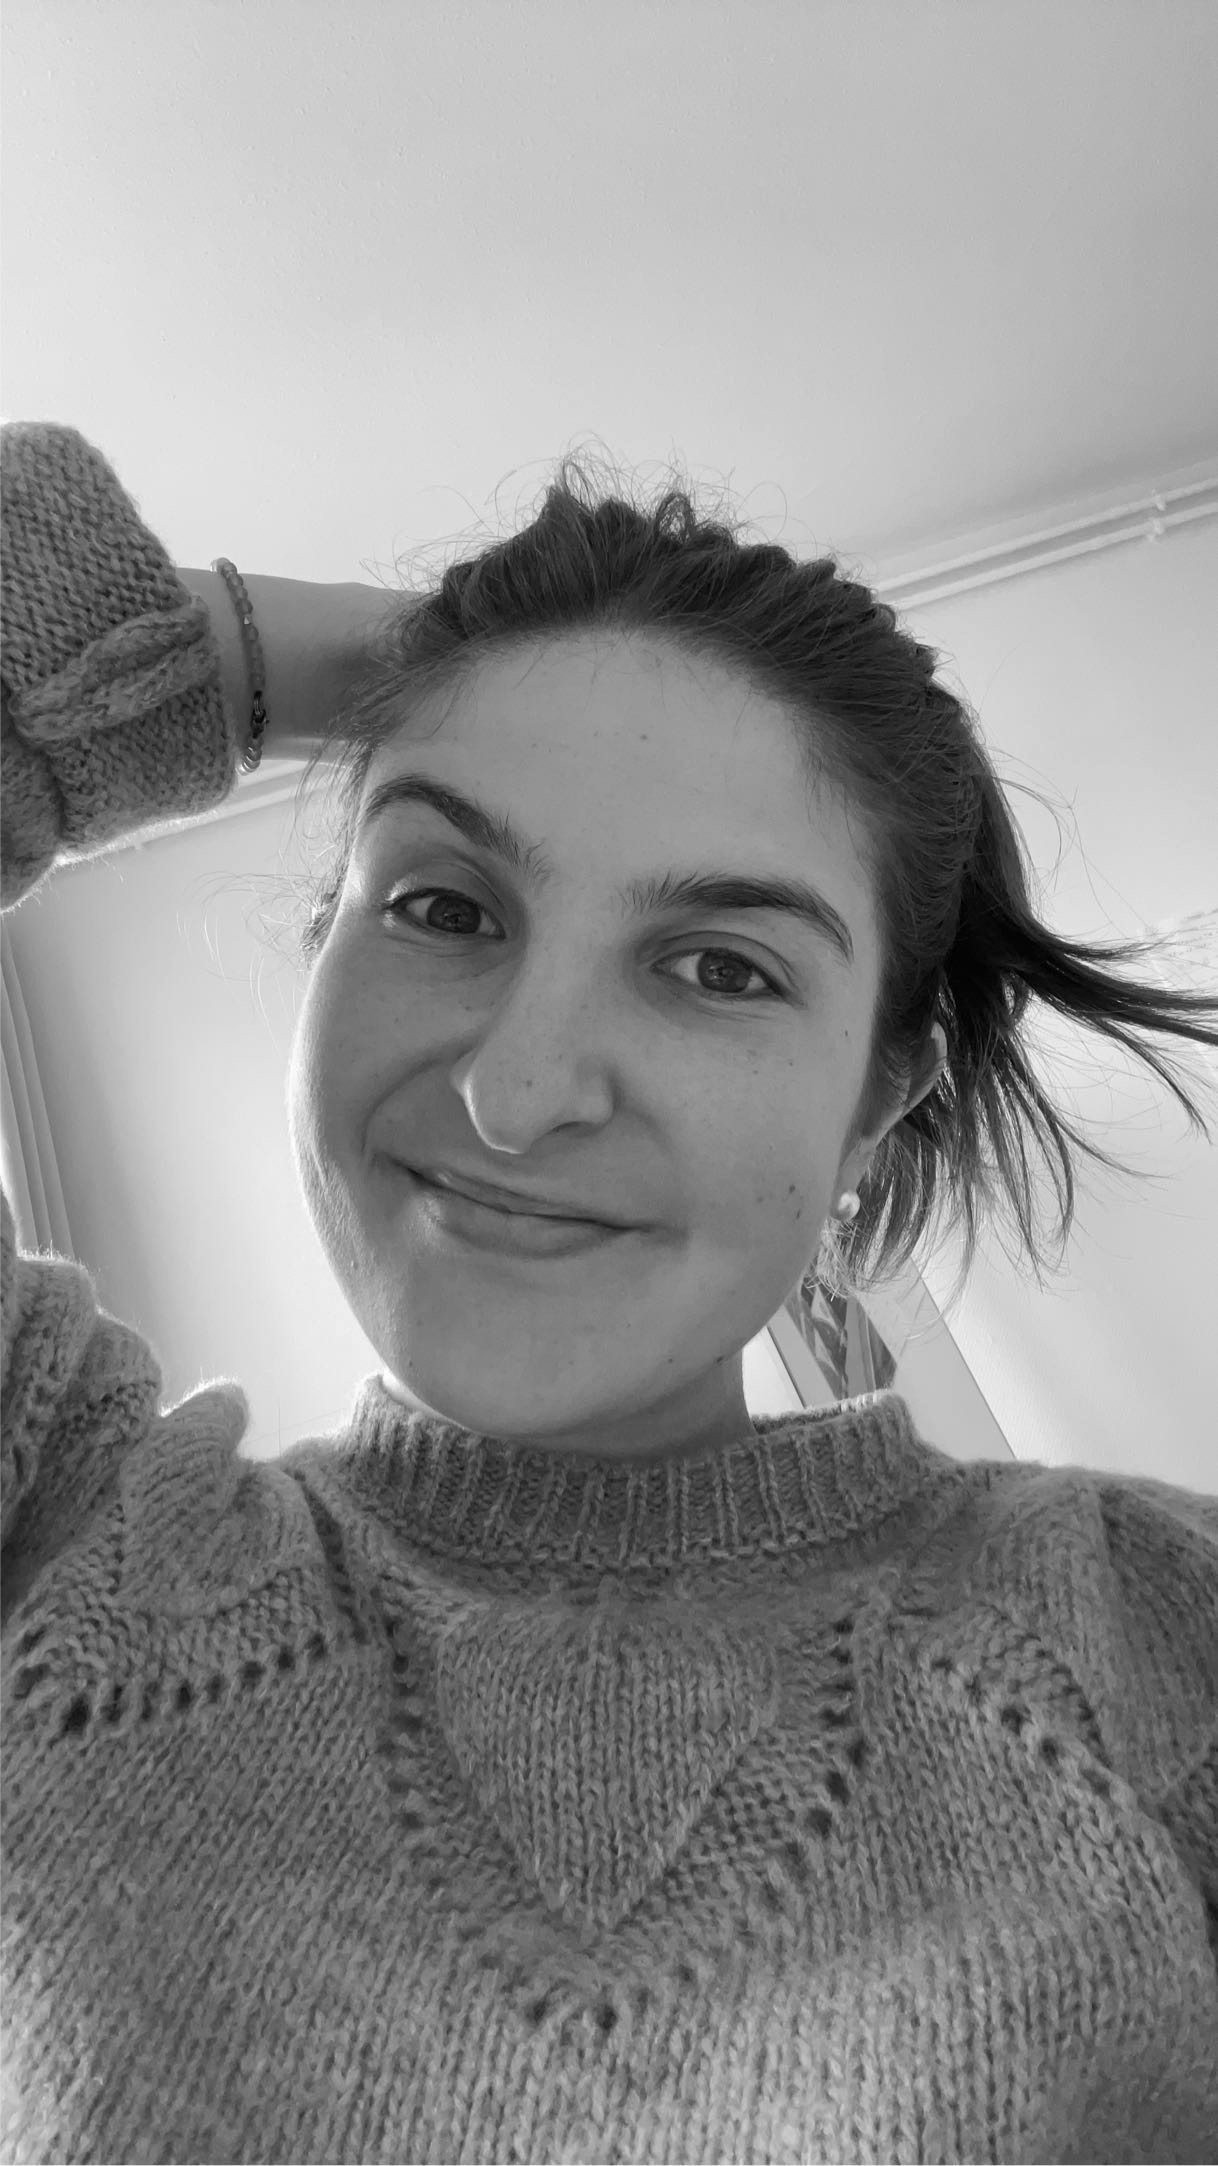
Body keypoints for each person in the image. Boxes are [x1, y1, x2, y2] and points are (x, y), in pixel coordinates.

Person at [2, 420, 1216, 2166]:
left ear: (878, 1095)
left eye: (717, 966)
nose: (516, 1091)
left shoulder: (1157, 1639)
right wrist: (314, 662)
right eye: (442, 904)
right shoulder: (55, 1543)